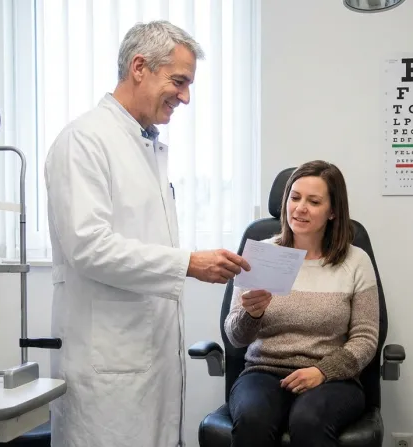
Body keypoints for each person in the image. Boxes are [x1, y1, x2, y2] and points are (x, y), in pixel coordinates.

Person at [44, 20, 251, 447]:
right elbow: (88, 246)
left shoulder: (146, 145)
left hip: (148, 360)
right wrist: (189, 263)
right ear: (140, 66)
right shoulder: (84, 140)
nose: (186, 96)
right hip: (108, 368)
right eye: (179, 81)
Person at [224, 160, 381, 447]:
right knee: (253, 420)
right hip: (263, 372)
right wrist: (252, 314)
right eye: (295, 198)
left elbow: (366, 338)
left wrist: (323, 372)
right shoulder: (262, 255)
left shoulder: (355, 261)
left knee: (308, 420)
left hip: (333, 378)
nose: (300, 208)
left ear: (333, 211)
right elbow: (235, 336)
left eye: (314, 201)